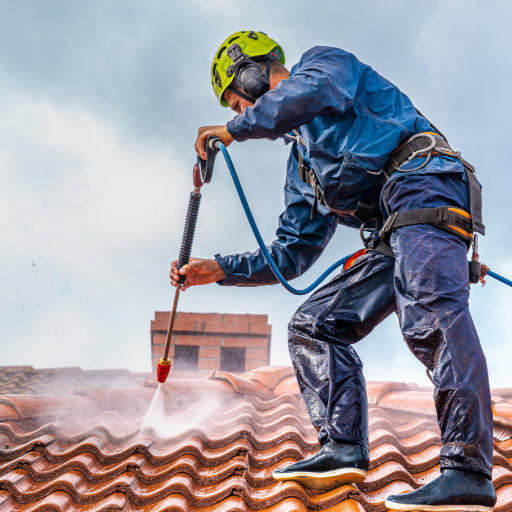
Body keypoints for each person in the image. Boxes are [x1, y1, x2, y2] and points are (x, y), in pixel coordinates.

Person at [170, 31, 496, 511]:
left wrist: (233, 131)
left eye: (237, 98)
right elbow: (292, 253)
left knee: (430, 314)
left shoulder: (324, 66)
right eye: (233, 108)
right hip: (393, 230)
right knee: (313, 324)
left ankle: (468, 470)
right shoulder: (302, 164)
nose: (238, 111)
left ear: (255, 71)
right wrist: (218, 269)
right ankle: (342, 446)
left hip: (425, 188)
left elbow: (312, 93)